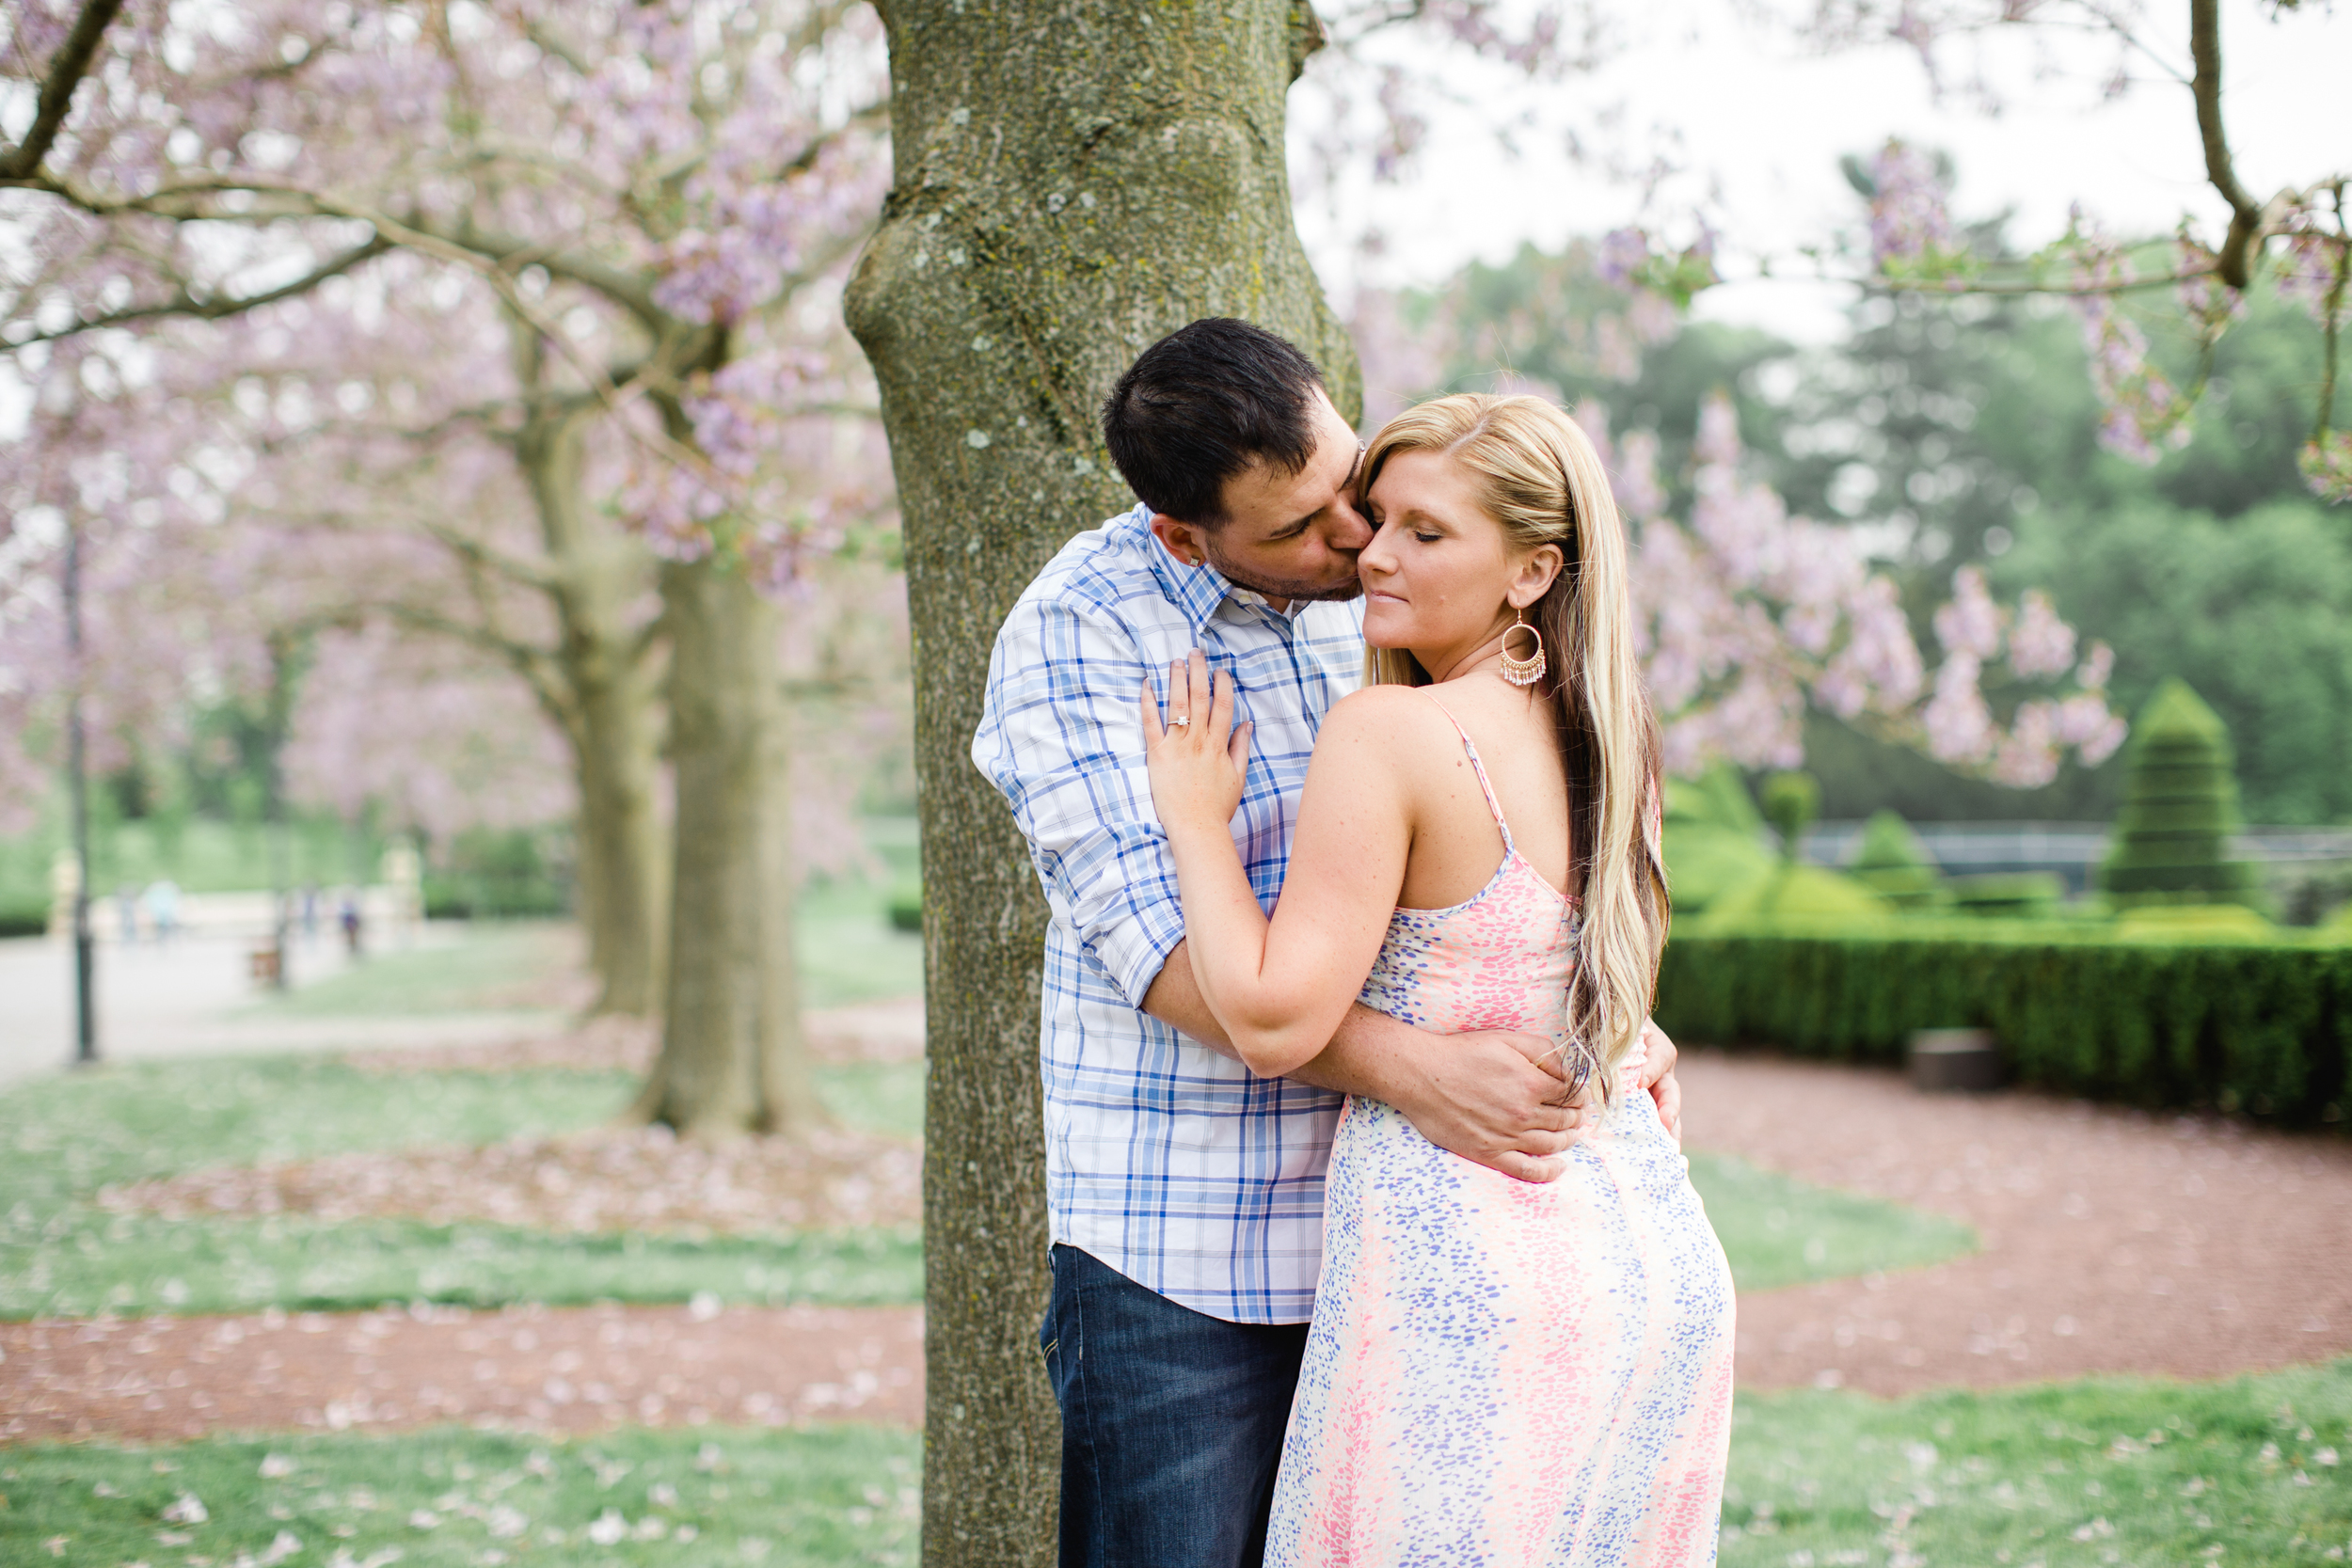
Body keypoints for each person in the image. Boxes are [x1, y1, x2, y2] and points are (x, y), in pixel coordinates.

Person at [973, 318, 1685, 1568]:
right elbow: (1172, 966)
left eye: (1350, 486)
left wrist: (1591, 1023)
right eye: (1306, 529)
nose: (1355, 538)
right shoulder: (1084, 635)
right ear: (1186, 536)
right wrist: (1422, 1068)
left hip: (1416, 1245)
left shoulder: (1397, 581)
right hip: (1193, 1254)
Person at [1143, 392, 1733, 1564]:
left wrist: (1195, 819)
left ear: (1531, 571)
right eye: (1377, 518)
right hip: (1651, 1271)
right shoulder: (1614, 736)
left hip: (1471, 1283)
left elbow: (1268, 1016)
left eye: (1425, 532)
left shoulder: (1391, 733)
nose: (1372, 551)